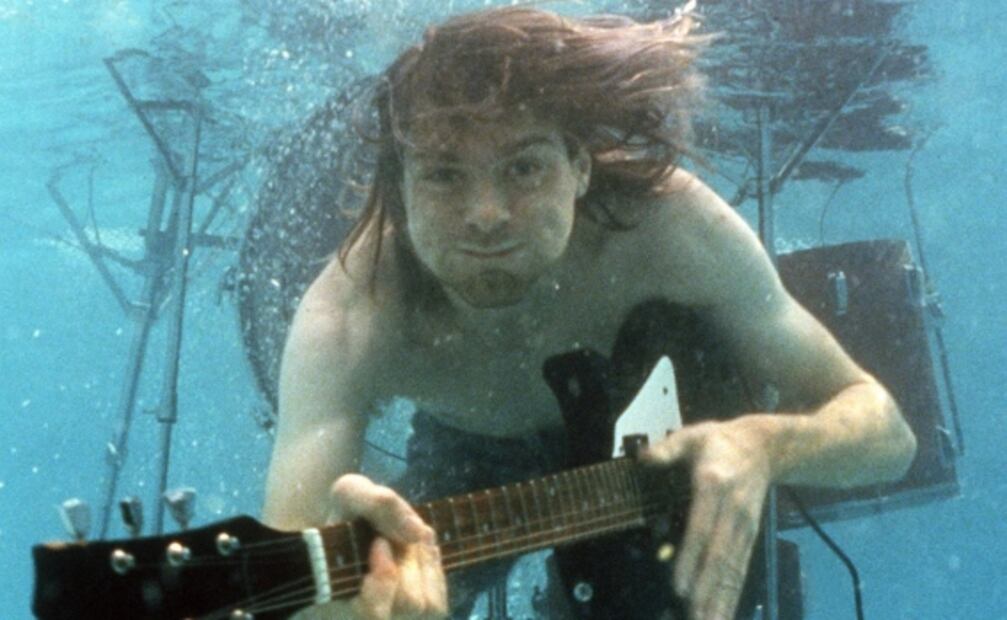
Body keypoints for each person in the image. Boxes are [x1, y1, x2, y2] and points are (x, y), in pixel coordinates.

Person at [261, 6, 917, 620]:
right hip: (469, 455)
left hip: (655, 446)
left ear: (579, 166)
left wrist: (763, 444)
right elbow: (279, 583)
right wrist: (340, 611)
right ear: (400, 186)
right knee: (388, 587)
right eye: (443, 174)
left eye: (523, 168)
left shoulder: (667, 226)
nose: (486, 215)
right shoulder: (348, 314)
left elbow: (889, 437)